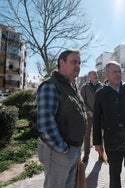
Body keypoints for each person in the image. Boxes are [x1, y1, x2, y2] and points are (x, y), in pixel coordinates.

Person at [37, 49, 87, 188]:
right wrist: (63, 148)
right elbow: (46, 124)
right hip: (59, 152)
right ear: (62, 62)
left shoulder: (72, 86)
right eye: (73, 62)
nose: (78, 65)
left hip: (73, 150)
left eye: (79, 62)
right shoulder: (50, 86)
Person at [80, 70, 103, 163]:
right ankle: (86, 155)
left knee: (99, 135)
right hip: (88, 115)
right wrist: (88, 111)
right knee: (87, 135)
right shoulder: (85, 87)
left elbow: (104, 101)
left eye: (96, 74)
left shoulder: (101, 86)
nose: (96, 75)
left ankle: (101, 154)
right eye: (94, 74)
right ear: (89, 76)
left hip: (99, 115)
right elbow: (81, 100)